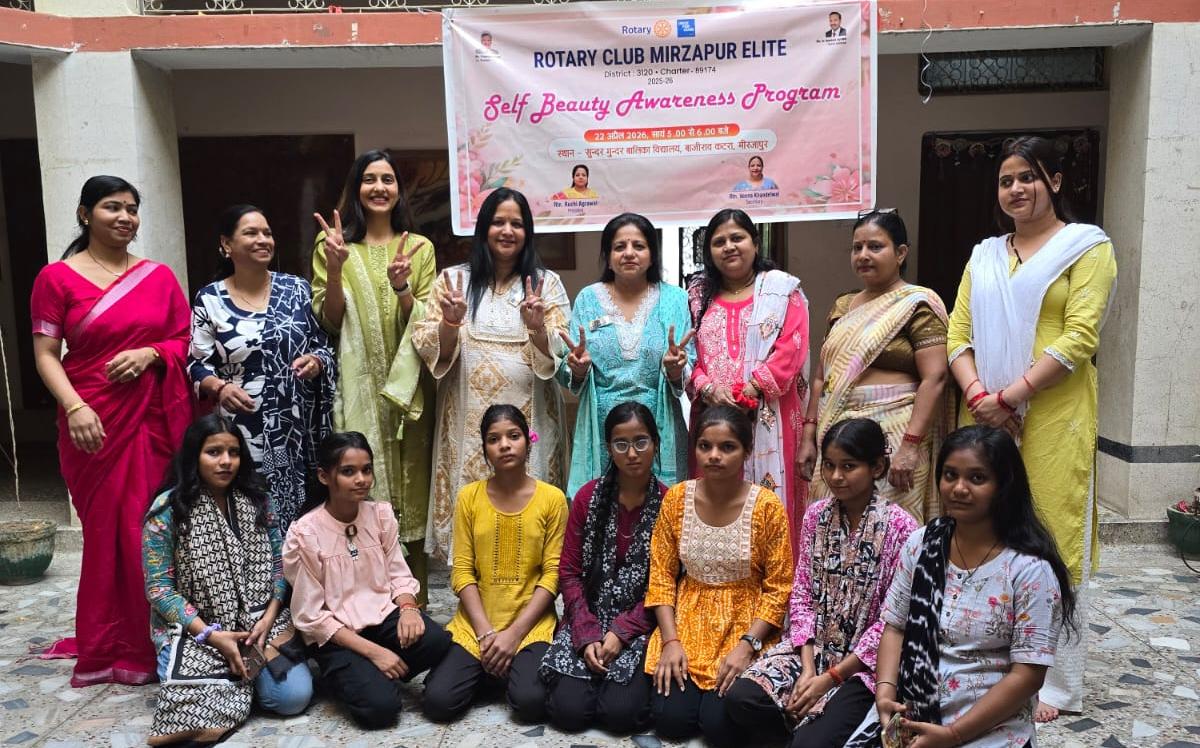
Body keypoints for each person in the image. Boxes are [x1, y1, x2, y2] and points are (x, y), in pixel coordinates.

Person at [945, 135, 1116, 720]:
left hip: (1052, 413)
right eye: (1006, 180)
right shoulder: (985, 255)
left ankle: (1052, 681)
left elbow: (1080, 336)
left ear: (1056, 181)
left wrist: (1012, 396)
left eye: (1029, 177)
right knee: (984, 529)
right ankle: (989, 660)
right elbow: (958, 333)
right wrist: (979, 395)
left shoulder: (1086, 248)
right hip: (985, 413)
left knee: (1050, 533)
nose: (1016, 189)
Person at [30, 175, 193, 687]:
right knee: (106, 533)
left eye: (131, 208)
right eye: (111, 207)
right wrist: (75, 406)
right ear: (85, 214)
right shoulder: (56, 278)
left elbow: (184, 339)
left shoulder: (158, 277)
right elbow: (44, 354)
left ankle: (161, 639)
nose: (125, 217)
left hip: (150, 421)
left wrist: (152, 353)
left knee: (150, 529)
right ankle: (110, 645)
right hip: (92, 422)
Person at [852, 425, 1073, 748]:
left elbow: (1027, 675)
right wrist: (885, 693)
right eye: (950, 475)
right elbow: (896, 626)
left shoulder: (1029, 571)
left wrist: (953, 735)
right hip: (912, 714)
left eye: (977, 478)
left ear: (1004, 485)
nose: (959, 488)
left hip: (989, 730)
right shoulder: (922, 544)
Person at [724, 418, 918, 746]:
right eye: (829, 465)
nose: (836, 476)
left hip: (862, 667)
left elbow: (890, 623)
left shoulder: (902, 528)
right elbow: (801, 595)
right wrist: (808, 669)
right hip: (813, 651)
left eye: (849, 466)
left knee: (810, 743)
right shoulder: (816, 516)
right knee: (740, 699)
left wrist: (829, 680)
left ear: (876, 467)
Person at [413, 188, 570, 562]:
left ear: (528, 232)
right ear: (483, 228)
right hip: (467, 426)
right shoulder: (453, 281)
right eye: (498, 222)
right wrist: (451, 323)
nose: (507, 231)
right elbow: (430, 347)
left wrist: (536, 328)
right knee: (473, 529)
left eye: (517, 223)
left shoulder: (546, 284)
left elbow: (560, 353)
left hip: (531, 421)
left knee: (531, 528)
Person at [312, 149, 437, 599]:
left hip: (410, 391)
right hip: (358, 385)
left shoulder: (420, 248)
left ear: (399, 189)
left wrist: (402, 288)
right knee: (361, 485)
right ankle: (365, 604)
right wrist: (334, 267)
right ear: (356, 188)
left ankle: (413, 605)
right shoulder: (333, 245)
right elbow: (330, 321)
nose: (379, 187)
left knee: (412, 492)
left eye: (387, 179)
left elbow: (427, 322)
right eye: (369, 179)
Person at [144, 415, 312, 745]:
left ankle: (236, 690)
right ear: (194, 455)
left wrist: (267, 618)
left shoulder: (258, 500)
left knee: (293, 698)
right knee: (187, 706)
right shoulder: (169, 509)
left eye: (233, 452)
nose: (226, 461)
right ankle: (236, 688)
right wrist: (211, 635)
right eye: (214, 452)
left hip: (260, 625)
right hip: (196, 631)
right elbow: (159, 588)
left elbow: (280, 567)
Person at [644, 406, 793, 746]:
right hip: (687, 623)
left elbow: (779, 587)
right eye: (705, 446)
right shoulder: (677, 499)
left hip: (745, 626)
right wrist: (670, 641)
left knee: (719, 727)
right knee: (671, 721)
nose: (714, 456)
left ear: (747, 451)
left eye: (727, 447)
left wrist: (747, 646)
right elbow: (662, 576)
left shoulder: (767, 507)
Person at [283, 432, 451, 729]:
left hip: (380, 617)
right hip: (337, 634)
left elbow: (398, 573)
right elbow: (312, 616)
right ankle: (355, 673)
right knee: (381, 710)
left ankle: (370, 672)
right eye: (348, 472)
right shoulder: (305, 533)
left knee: (436, 641)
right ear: (324, 476)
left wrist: (409, 608)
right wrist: (376, 653)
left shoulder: (380, 515)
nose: (361, 479)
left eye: (366, 470)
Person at [190, 204, 336, 533]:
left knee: (300, 524)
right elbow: (197, 364)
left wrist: (316, 362)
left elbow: (324, 347)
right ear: (227, 244)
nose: (263, 239)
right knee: (249, 520)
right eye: (251, 233)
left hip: (296, 433)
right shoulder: (210, 299)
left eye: (267, 233)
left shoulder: (296, 290)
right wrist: (220, 388)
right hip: (240, 432)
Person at [799, 210, 951, 522]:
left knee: (892, 523)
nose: (863, 255)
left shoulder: (917, 303)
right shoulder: (843, 305)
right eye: (857, 248)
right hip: (837, 431)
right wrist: (808, 437)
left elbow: (935, 377)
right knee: (835, 520)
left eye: (875, 247)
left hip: (896, 433)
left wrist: (910, 446)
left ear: (901, 253)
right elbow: (821, 378)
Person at [422, 405, 568, 723]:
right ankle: (496, 670)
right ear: (485, 449)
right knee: (438, 702)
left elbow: (552, 575)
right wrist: (486, 634)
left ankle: (501, 671)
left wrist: (514, 634)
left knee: (530, 703)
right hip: (476, 625)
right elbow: (462, 571)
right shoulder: (469, 497)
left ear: (528, 441)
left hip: (530, 627)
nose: (504, 445)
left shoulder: (552, 499)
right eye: (493, 439)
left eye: (513, 436)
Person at [686, 208, 810, 552]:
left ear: (755, 243)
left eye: (737, 238)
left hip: (769, 417)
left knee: (771, 509)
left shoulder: (782, 291)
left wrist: (750, 390)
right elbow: (688, 355)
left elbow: (792, 348)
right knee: (715, 502)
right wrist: (708, 388)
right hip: (712, 419)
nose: (729, 247)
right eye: (719, 242)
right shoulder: (697, 295)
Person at [540, 402, 667, 734]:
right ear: (608, 448)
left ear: (656, 443)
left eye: (641, 441)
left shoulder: (670, 504)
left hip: (641, 624)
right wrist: (586, 634)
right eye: (620, 444)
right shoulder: (588, 498)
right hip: (588, 616)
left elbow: (666, 584)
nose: (632, 453)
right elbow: (569, 572)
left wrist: (621, 632)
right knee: (568, 713)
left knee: (620, 716)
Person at [558, 212, 693, 497]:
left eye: (639, 246)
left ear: (652, 255)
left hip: (659, 425)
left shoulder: (675, 299)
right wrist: (578, 369)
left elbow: (687, 365)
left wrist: (675, 369)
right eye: (619, 247)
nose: (629, 253)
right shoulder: (588, 299)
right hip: (601, 429)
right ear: (608, 258)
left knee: (662, 508)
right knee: (603, 508)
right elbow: (571, 367)